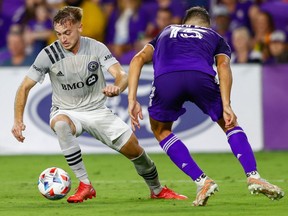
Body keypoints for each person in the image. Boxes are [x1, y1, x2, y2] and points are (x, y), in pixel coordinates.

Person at [11, 6, 187, 203]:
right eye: (59, 34)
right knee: (60, 124)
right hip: (66, 110)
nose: (63, 39)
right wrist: (18, 120)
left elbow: (121, 75)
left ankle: (157, 190)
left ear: (80, 27)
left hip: (97, 110)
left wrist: (117, 88)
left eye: (67, 32)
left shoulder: (96, 48)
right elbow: (24, 87)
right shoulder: (48, 54)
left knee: (136, 152)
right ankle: (85, 184)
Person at [128, 6, 284, 206]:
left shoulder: (166, 31)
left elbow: (138, 59)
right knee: (229, 124)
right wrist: (227, 105)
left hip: (167, 79)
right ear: (206, 25)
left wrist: (132, 99)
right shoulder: (215, 36)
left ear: (185, 22)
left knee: (161, 130)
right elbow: (224, 66)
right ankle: (253, 175)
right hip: (200, 77)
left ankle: (202, 181)